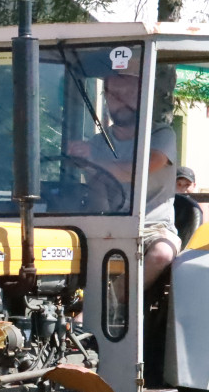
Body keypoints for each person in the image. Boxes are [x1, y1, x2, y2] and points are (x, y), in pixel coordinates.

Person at [69, 72, 179, 290]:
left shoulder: (161, 134)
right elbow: (97, 190)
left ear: (143, 96)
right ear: (106, 97)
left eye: (129, 93)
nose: (121, 100)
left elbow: (137, 171)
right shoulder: (99, 142)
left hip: (151, 228)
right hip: (106, 225)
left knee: (162, 253)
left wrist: (91, 160)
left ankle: (113, 305)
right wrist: (74, 158)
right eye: (115, 94)